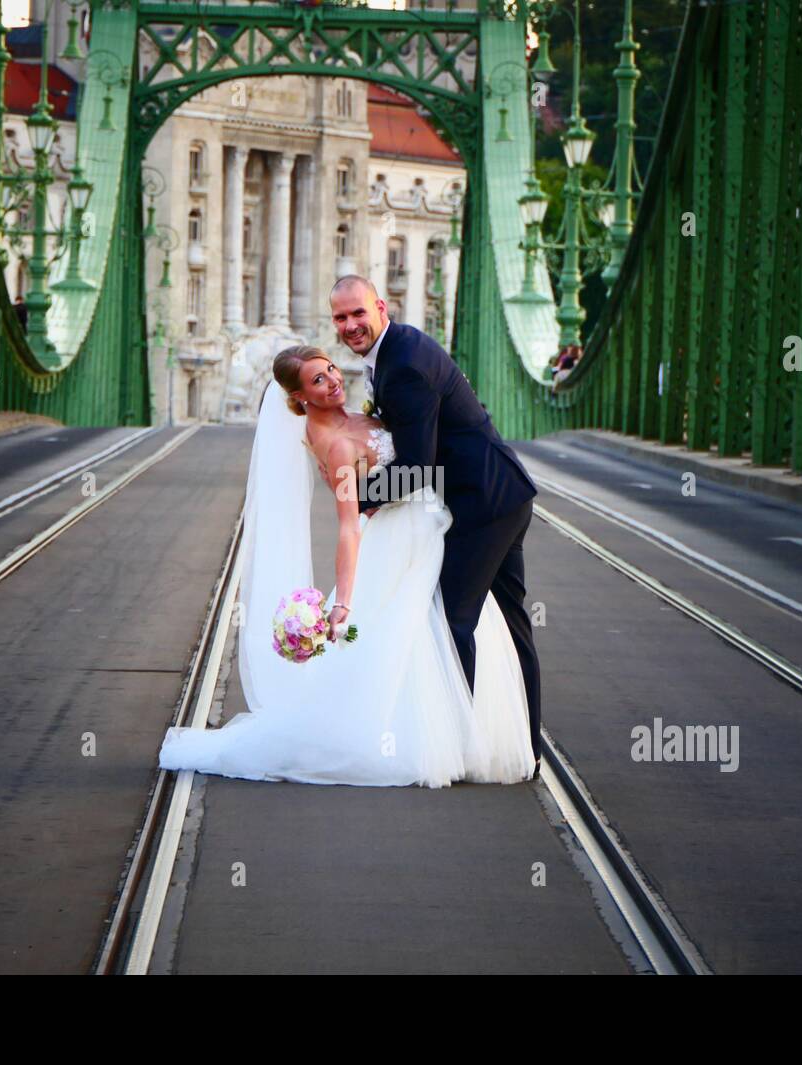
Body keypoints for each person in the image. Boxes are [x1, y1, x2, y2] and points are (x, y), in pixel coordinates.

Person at [157, 346, 534, 787]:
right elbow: (349, 527)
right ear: (299, 398)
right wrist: (345, 601)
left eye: (331, 369)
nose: (334, 380)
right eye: (318, 380)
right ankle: (425, 742)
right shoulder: (336, 446)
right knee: (409, 635)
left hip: (431, 529)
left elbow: (416, 460)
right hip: (399, 542)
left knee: (440, 628)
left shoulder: (358, 414)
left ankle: (457, 735)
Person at [328, 275, 542, 775]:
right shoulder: (398, 349)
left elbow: (419, 464)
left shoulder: (402, 366)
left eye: (358, 313)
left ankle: (460, 747)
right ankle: (526, 749)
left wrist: (355, 496)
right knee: (512, 627)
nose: (350, 325)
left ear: (380, 306)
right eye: (340, 317)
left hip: (483, 505)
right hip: (501, 492)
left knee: (451, 620)